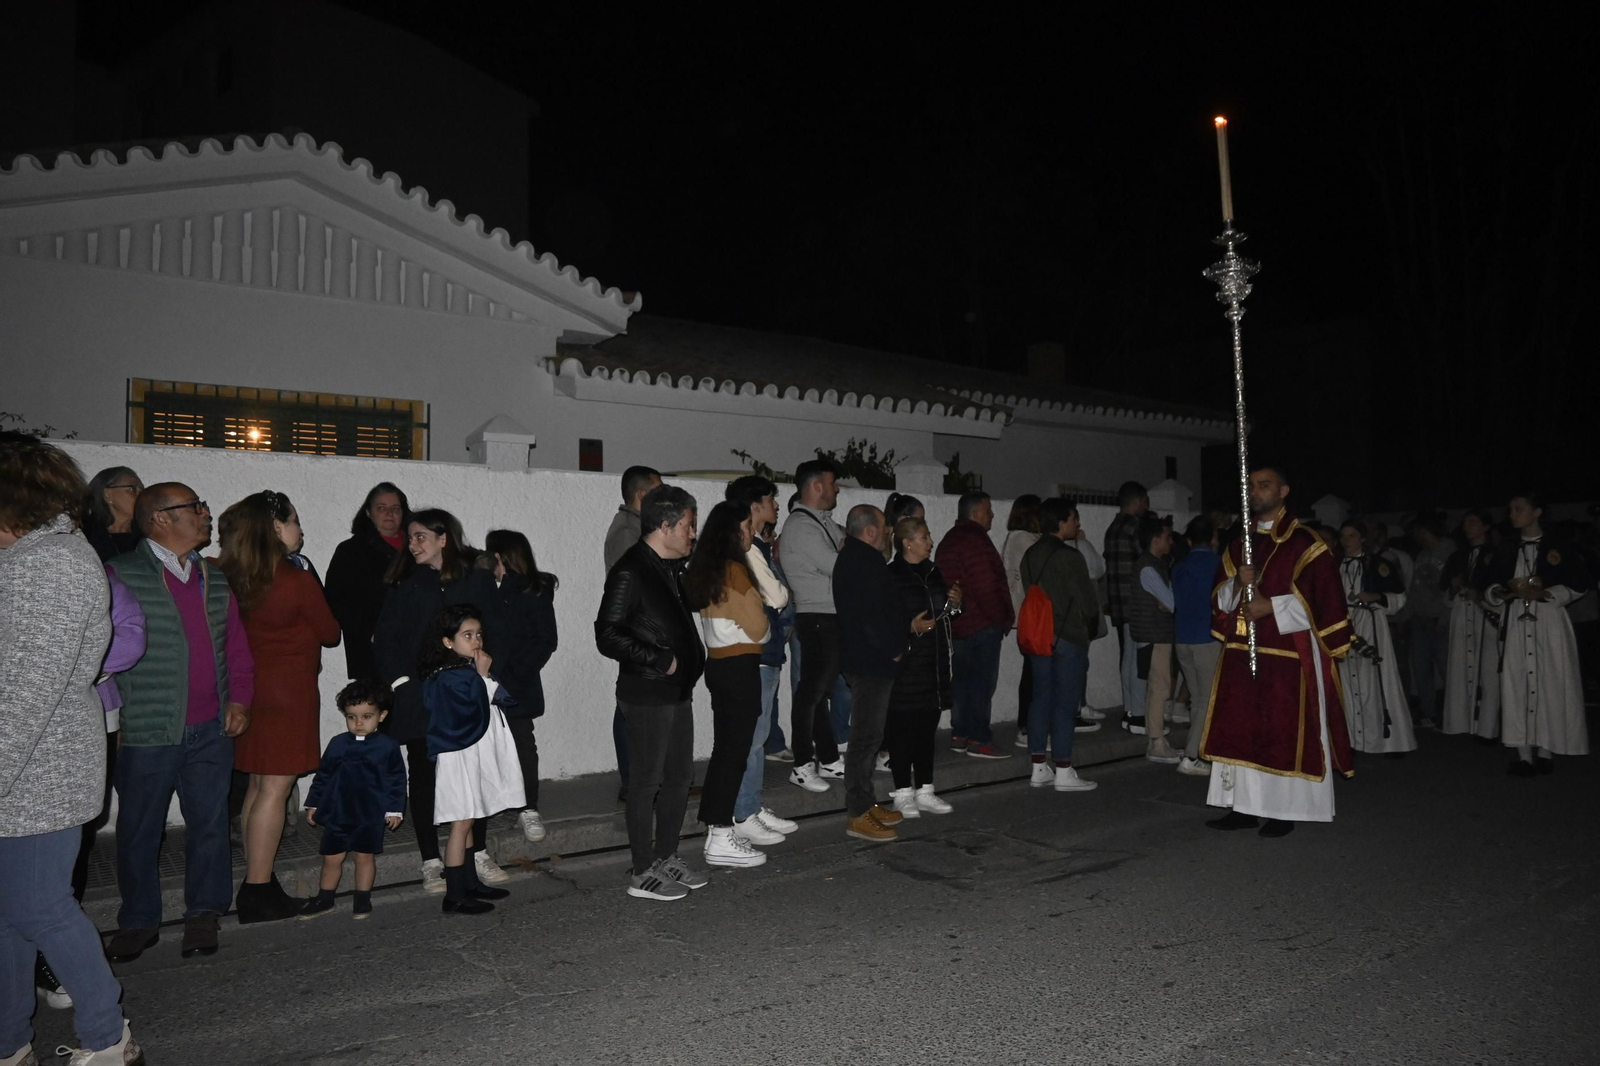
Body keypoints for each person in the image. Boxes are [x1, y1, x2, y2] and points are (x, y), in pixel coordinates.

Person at [0, 432, 143, 1066]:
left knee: (40, 907)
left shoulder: (51, 563)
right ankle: (10, 1041)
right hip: (30, 767)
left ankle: (108, 1037)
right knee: (10, 916)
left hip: (39, 770)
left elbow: (26, 690)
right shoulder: (33, 557)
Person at [104, 483, 255, 962]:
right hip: (149, 729)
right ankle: (139, 920)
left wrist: (240, 700)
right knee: (139, 829)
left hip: (212, 726)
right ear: (162, 519)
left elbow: (236, 647)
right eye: (195, 507)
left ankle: (204, 914)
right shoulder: (121, 574)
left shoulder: (214, 577)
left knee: (210, 824)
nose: (206, 513)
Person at [1203, 465, 1355, 838]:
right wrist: (1238, 584)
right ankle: (1241, 805)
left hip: (1288, 654)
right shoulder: (1239, 543)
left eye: (1264, 485)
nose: (1255, 491)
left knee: (1281, 728)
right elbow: (1220, 599)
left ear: (1284, 491)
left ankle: (1281, 810)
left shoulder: (1307, 543)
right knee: (1241, 726)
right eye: (1251, 486)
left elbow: (1328, 603)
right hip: (1243, 653)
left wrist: (1273, 607)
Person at [215, 490, 342, 923]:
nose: (300, 530)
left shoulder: (232, 573)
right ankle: (257, 887)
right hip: (288, 691)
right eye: (294, 521)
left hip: (248, 690)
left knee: (256, 786)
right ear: (275, 528)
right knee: (275, 789)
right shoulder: (293, 578)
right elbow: (329, 631)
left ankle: (257, 881)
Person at [372, 508, 500, 894]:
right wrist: (403, 685)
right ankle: (431, 860)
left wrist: (485, 674)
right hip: (422, 698)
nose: (411, 544)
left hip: (467, 696)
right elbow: (386, 641)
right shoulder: (405, 585)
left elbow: (496, 631)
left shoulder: (476, 581)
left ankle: (477, 856)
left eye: (420, 536)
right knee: (425, 777)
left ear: (444, 539)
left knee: (472, 776)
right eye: (410, 538)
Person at [595, 484, 708, 901]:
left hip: (676, 692)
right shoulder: (631, 570)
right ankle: (643, 870)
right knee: (646, 783)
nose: (692, 534)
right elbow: (606, 633)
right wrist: (659, 659)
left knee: (680, 778)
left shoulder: (669, 567)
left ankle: (666, 856)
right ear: (665, 525)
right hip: (647, 691)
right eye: (688, 526)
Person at [684, 500, 773, 867]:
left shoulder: (706, 566)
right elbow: (759, 626)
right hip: (739, 665)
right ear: (735, 530)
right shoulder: (734, 569)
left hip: (719, 665)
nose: (752, 532)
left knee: (727, 751)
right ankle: (719, 835)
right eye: (748, 527)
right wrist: (763, 618)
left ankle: (719, 831)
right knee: (733, 752)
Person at [422, 605, 522, 915]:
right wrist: (482, 676)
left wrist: (481, 675)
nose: (476, 640)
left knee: (471, 817)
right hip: (458, 758)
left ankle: (469, 883)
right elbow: (476, 705)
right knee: (460, 822)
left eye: (478, 634)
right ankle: (454, 894)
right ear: (448, 642)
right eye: (467, 635)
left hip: (472, 755)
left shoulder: (464, 671)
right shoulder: (447, 677)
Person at [1485, 493, 1590, 775]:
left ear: (1537, 512)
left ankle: (1546, 750)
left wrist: (1549, 594)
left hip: (1548, 620)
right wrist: (1502, 592)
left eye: (1518, 509)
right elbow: (1491, 584)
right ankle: (1523, 755)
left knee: (1551, 680)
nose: (1512, 514)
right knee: (1517, 681)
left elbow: (1579, 583)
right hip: (1517, 620)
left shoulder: (1559, 546)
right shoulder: (1506, 548)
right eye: (1510, 510)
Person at [725, 477, 800, 846]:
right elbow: (778, 595)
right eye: (771, 499)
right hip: (755, 655)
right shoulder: (749, 549)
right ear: (755, 506)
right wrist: (782, 593)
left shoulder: (760, 547)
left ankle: (751, 807)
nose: (775, 504)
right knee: (752, 740)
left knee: (757, 737)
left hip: (765, 654)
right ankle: (743, 813)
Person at [833, 504, 913, 841]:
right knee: (865, 737)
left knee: (870, 735)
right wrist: (893, 648)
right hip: (871, 662)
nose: (887, 534)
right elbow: (870, 615)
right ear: (870, 531)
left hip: (868, 659)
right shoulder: (862, 561)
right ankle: (858, 814)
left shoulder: (856, 558)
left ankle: (866, 803)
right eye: (884, 528)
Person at [299, 680, 407, 921]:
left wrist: (395, 810)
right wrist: (314, 803)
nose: (358, 723)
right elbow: (323, 775)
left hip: (370, 815)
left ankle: (362, 899)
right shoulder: (338, 744)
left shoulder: (388, 746)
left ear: (382, 716)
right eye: (352, 717)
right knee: (332, 858)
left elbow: (397, 781)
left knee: (364, 857)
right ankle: (324, 898)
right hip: (338, 813)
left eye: (367, 716)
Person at [479, 529, 559, 844]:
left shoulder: (533, 590)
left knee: (522, 744)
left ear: (499, 556)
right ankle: (494, 804)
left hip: (516, 683)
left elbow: (545, 640)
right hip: (483, 681)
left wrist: (511, 676)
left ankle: (528, 808)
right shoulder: (484, 587)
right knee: (485, 747)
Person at [1019, 497, 1102, 793]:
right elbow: (1088, 601)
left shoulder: (1029, 555)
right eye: (1072, 518)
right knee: (1066, 704)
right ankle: (1064, 769)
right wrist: (1090, 627)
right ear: (1060, 522)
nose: (1076, 524)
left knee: (1040, 698)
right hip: (1068, 636)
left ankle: (1039, 766)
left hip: (1039, 635)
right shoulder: (1070, 556)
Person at [885, 516, 962, 816]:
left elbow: (943, 614)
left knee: (926, 729)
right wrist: (910, 627)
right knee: (902, 729)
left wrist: (955, 604)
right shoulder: (891, 575)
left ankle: (926, 790)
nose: (930, 542)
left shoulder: (933, 572)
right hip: (906, 664)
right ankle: (903, 792)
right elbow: (881, 619)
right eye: (924, 537)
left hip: (934, 661)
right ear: (907, 543)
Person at [779, 458, 847, 791]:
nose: (836, 490)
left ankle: (830, 760)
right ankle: (803, 763)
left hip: (828, 616)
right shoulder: (802, 526)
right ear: (817, 485)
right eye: (833, 483)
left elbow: (848, 555)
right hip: (817, 617)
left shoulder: (822, 522)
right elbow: (841, 565)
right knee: (810, 693)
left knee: (819, 694)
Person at [936, 490, 1014, 758]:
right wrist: (1001, 618)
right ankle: (979, 738)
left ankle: (960, 734)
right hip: (980, 625)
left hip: (958, 625)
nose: (992, 514)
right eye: (988, 509)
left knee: (962, 682)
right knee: (981, 684)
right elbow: (986, 586)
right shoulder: (975, 539)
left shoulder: (949, 539)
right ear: (975, 512)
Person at [603, 466, 663, 804]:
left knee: (643, 702)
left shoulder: (636, 527)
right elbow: (638, 582)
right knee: (631, 704)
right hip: (636, 627)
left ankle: (649, 779)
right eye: (658, 489)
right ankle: (632, 780)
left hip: (642, 625)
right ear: (641, 494)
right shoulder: (628, 530)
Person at [1336, 521, 1417, 756]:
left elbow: (1399, 598)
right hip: (1343, 625)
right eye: (1343, 535)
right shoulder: (1334, 565)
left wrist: (1376, 596)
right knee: (1347, 683)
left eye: (1351, 535)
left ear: (1362, 538)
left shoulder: (1379, 565)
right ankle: (1352, 740)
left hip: (1371, 625)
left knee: (1379, 679)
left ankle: (1390, 740)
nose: (1346, 540)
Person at [325, 482, 410, 683]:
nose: (389, 513)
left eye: (395, 508)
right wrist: (370, 634)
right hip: (370, 655)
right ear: (368, 513)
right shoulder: (350, 551)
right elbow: (337, 601)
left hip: (412, 655)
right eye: (381, 508)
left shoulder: (417, 549)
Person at [1440, 510, 1501, 740]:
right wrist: (1454, 588)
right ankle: (1460, 722)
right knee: (1459, 666)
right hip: (1461, 614)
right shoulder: (1458, 556)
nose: (1468, 526)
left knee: (1488, 671)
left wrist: (1483, 595)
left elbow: (1502, 588)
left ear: (1485, 526)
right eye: (1465, 522)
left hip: (1486, 614)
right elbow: (1445, 594)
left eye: (1473, 521)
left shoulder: (1496, 554)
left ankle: (1487, 728)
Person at [1172, 515, 1222, 775]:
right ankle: (1193, 755)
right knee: (1206, 699)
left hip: (1183, 638)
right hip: (1207, 638)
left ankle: (1198, 751)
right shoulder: (1218, 565)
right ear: (1213, 538)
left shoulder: (1180, 566)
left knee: (1197, 698)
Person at [1132, 515, 1183, 763]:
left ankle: (1157, 740)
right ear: (1155, 540)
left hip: (1155, 633)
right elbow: (1174, 603)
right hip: (1155, 635)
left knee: (1157, 688)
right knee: (1159, 689)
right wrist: (1167, 604)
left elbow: (1169, 603)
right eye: (1167, 537)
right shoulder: (1149, 568)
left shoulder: (1156, 564)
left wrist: (1167, 604)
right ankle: (1156, 743)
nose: (1170, 541)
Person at [1104, 480, 1152, 734]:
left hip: (1119, 602)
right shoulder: (1134, 527)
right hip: (1136, 601)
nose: (1146, 507)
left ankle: (1129, 711)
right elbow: (1146, 560)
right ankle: (1138, 716)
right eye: (1144, 501)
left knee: (1127, 658)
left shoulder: (1112, 528)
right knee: (1138, 660)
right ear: (1136, 502)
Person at [1407, 513, 1455, 729]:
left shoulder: (1450, 551)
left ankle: (1453, 714)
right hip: (1421, 619)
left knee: (1447, 668)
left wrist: (1445, 617)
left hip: (1440, 619)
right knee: (1420, 668)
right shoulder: (1421, 555)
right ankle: (1429, 712)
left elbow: (1452, 590)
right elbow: (1415, 590)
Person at [1002, 495, 1042, 746]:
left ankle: (1028, 724)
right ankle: (1026, 726)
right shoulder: (1024, 540)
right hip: (1029, 611)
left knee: (1033, 669)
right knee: (1033, 671)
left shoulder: (1020, 538)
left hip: (1027, 610)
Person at [82, 466, 145, 563]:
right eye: (133, 489)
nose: (141, 495)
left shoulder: (148, 533)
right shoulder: (84, 533)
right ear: (108, 494)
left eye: (142, 490)